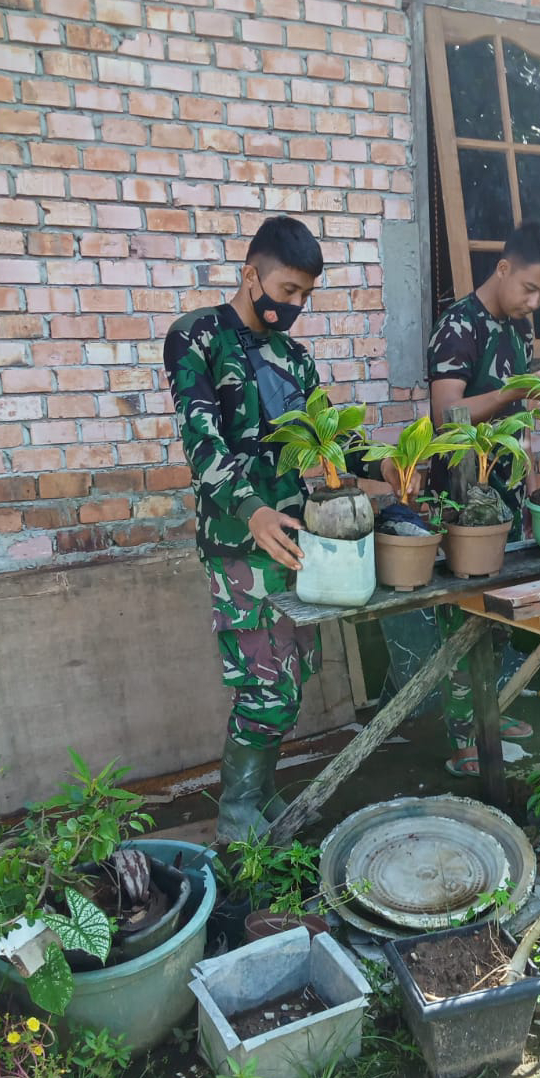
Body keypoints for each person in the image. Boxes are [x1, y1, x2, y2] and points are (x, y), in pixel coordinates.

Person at [164, 215, 400, 842]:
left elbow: (330, 441)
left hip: (302, 541)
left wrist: (381, 463)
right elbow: (202, 444)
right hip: (242, 544)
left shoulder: (294, 358)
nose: (295, 306)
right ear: (251, 275)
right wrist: (253, 509)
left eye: (305, 296)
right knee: (263, 687)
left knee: (289, 683)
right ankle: (237, 815)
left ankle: (261, 794)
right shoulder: (197, 338)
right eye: (288, 291)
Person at [380, 218, 540, 777]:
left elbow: (517, 418)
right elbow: (446, 416)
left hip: (504, 494)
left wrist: (532, 478)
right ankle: (462, 733)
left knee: (499, 611)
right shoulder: (459, 325)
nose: (534, 302)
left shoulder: (518, 330)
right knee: (461, 617)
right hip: (461, 499)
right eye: (529, 288)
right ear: (503, 267)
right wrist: (518, 390)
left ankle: (492, 711)